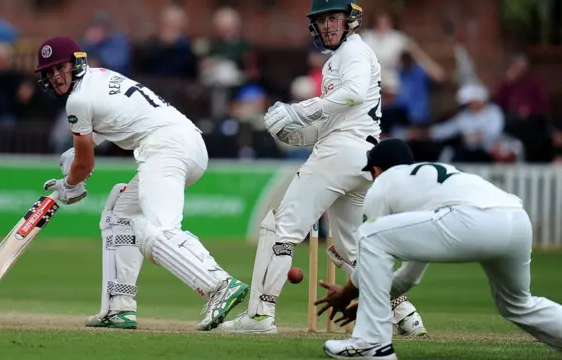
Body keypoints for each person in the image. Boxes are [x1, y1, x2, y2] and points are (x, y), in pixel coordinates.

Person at [216, 0, 426, 336]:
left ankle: (260, 315)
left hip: (341, 153)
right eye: (322, 20)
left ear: (351, 20)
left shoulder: (353, 53)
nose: (328, 26)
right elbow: (334, 116)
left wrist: (299, 111)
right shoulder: (339, 60)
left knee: (284, 226)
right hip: (361, 161)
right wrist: (293, 130)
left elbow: (354, 94)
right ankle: (405, 315)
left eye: (334, 19)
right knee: (352, 248)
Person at [34, 36, 248, 330]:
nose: (56, 76)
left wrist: (68, 184)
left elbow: (85, 165)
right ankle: (118, 308)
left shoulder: (77, 99)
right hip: (184, 142)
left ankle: (219, 284)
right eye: (50, 71)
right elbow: (112, 122)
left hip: (166, 146)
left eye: (61, 67)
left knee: (157, 230)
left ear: (76, 63)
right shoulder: (99, 77)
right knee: (120, 214)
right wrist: (75, 161)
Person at [315, 138, 562, 359]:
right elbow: (409, 276)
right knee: (517, 304)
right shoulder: (429, 187)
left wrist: (347, 294)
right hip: (516, 219)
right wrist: (373, 300)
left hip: (471, 219)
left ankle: (373, 343)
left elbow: (371, 244)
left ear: (376, 170)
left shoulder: (384, 183)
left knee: (369, 235)